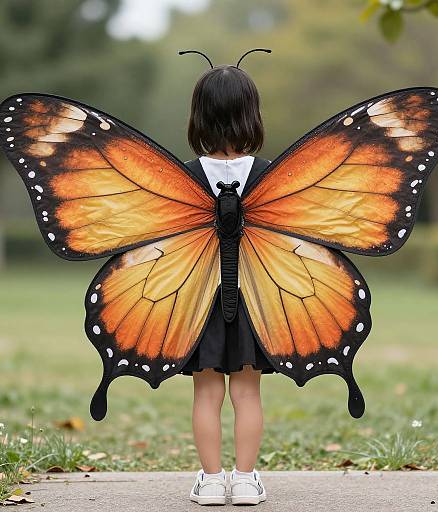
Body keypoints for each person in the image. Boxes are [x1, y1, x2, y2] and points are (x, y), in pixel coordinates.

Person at [179, 63, 273, 505]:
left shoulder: (179, 179)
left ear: (199, 116)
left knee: (207, 389)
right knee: (249, 390)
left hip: (200, 301)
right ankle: (247, 481)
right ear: (251, 115)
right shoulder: (273, 178)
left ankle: (212, 481)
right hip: (254, 298)